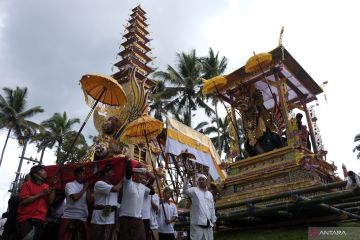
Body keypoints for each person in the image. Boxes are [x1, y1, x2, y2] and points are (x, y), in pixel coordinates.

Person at [118, 159, 155, 240]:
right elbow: (128, 170)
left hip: (138, 218)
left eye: (143, 175)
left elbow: (152, 191)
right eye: (141, 174)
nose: (143, 176)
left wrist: (145, 172)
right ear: (134, 174)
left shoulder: (143, 187)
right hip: (126, 217)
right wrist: (128, 159)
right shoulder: (128, 183)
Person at [17, 165, 56, 240]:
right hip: (27, 219)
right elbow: (24, 201)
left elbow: (50, 201)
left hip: (41, 220)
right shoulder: (27, 185)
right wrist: (41, 194)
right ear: (35, 174)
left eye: (44, 170)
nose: (45, 172)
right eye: (41, 170)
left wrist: (53, 186)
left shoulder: (46, 186)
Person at [58, 166, 91, 240]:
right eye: (79, 173)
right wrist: (85, 188)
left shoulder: (85, 186)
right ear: (75, 175)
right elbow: (75, 198)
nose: (81, 175)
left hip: (82, 218)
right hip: (69, 218)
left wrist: (87, 188)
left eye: (83, 173)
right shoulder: (70, 185)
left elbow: (89, 201)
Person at [91, 164, 122, 240]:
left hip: (111, 218)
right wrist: (123, 179)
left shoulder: (113, 185)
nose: (114, 174)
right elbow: (115, 189)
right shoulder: (99, 184)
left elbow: (119, 198)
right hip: (99, 218)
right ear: (106, 173)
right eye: (112, 172)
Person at [183, 174, 216, 240]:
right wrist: (188, 177)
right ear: (197, 182)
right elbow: (185, 190)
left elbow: (212, 209)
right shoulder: (194, 190)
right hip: (197, 225)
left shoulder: (209, 194)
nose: (201, 181)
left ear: (206, 181)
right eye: (199, 180)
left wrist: (214, 221)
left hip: (208, 225)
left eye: (203, 179)